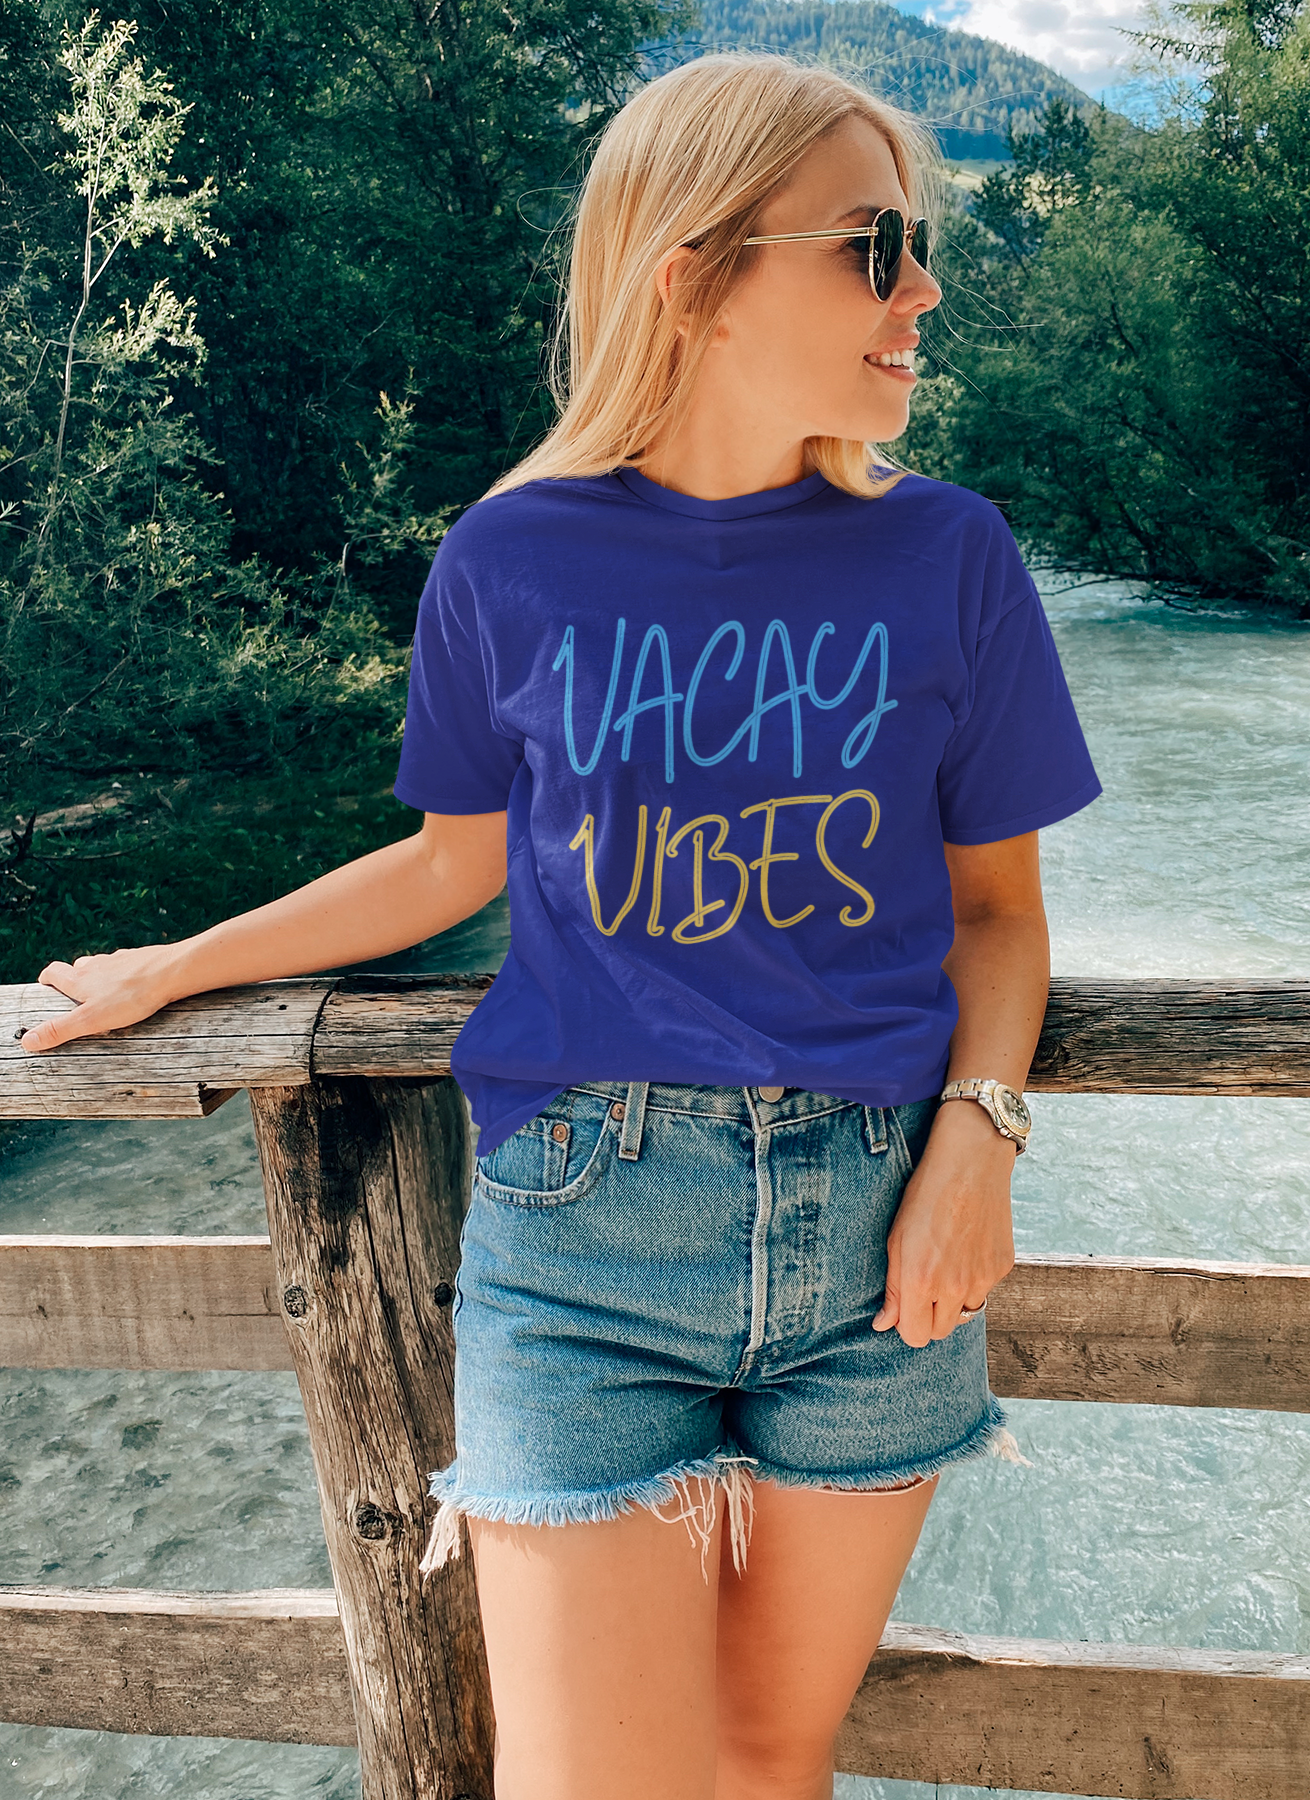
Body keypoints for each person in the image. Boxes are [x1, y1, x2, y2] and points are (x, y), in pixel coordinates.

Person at [22, 50, 1101, 1800]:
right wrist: (180, 965)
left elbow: (998, 914)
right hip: (582, 1238)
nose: (922, 288)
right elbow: (452, 863)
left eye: (914, 244)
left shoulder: (952, 557)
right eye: (874, 242)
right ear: (695, 271)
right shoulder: (511, 556)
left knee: (765, 1764)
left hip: (881, 1227)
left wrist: (981, 1138)